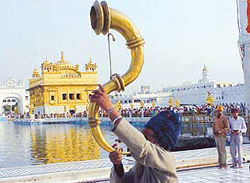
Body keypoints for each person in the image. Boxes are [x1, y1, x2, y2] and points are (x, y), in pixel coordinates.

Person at [90, 85, 182, 183]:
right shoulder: (143, 165)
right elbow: (124, 181)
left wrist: (110, 110)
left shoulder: (166, 160)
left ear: (158, 141)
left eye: (146, 137)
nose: (141, 139)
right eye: (141, 136)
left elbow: (142, 146)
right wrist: (117, 165)